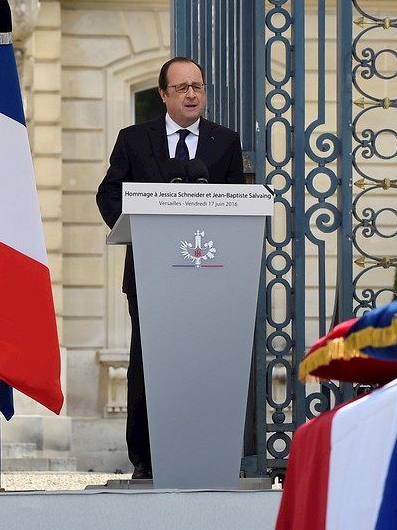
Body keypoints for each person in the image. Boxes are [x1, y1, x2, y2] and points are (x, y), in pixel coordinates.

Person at [96, 57, 245, 479]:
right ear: (163, 95)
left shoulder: (224, 142)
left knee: (208, 359)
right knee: (149, 362)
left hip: (210, 275)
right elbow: (109, 195)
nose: (191, 94)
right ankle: (145, 456)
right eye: (181, 88)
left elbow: (237, 204)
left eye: (197, 86)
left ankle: (212, 448)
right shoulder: (134, 139)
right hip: (151, 275)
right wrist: (139, 232)